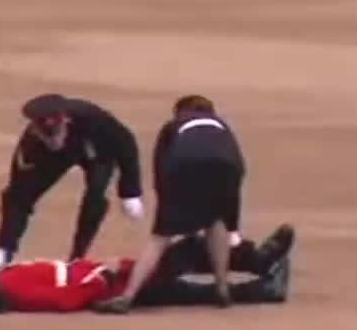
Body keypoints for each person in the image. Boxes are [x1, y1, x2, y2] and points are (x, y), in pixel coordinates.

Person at [0, 225, 295, 314]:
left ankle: (257, 265)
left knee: (188, 266)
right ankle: (260, 283)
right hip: (114, 286)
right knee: (188, 271)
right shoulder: (17, 292)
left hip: (111, 275)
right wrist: (107, 277)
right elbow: (65, 298)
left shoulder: (5, 281)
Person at [92, 95, 246, 314]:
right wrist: (233, 225)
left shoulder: (174, 125)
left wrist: (166, 209)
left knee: (160, 237)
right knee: (216, 221)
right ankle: (222, 288)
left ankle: (127, 296)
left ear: (179, 112)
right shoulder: (222, 126)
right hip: (227, 167)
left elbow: (160, 167)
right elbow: (238, 167)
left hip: (182, 167)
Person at [0, 94, 144, 268]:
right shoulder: (30, 147)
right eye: (46, 137)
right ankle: (4, 253)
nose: (53, 140)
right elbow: (18, 191)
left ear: (66, 120)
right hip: (53, 158)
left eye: (56, 134)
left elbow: (126, 143)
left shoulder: (92, 117)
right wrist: (4, 244)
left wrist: (130, 192)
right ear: (35, 130)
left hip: (94, 151)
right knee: (18, 196)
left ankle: (77, 257)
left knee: (96, 193)